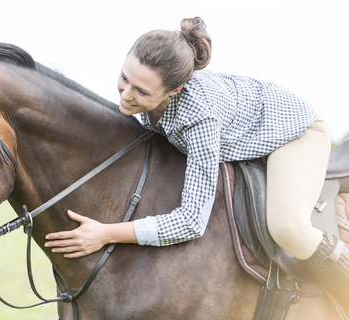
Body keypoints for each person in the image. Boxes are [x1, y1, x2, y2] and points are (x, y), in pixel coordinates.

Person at [45, 17, 348, 312]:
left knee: (288, 227)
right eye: (125, 79)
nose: (125, 96)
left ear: (173, 91)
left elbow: (191, 222)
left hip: (296, 132)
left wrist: (106, 233)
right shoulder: (144, 98)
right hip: (246, 128)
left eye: (141, 92)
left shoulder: (198, 116)